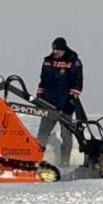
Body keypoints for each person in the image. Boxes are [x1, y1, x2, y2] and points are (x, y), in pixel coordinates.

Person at [36, 37, 83, 165]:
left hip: (65, 105)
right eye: (53, 49)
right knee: (42, 134)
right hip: (48, 104)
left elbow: (77, 83)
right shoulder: (47, 61)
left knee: (66, 136)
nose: (55, 52)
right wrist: (39, 96)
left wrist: (71, 100)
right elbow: (43, 80)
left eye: (57, 50)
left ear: (63, 49)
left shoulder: (74, 62)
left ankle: (65, 161)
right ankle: (36, 159)